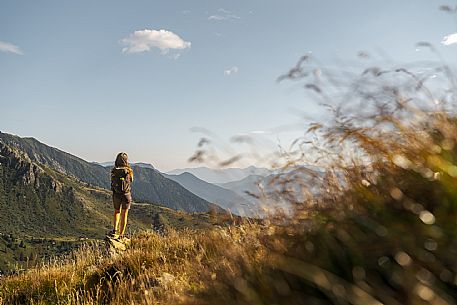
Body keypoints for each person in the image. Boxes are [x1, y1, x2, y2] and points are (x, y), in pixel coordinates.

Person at [110, 152, 134, 240]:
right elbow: (131, 180)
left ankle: (114, 230)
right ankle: (121, 234)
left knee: (117, 211)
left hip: (116, 194)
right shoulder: (129, 171)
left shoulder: (114, 170)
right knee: (124, 214)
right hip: (126, 195)